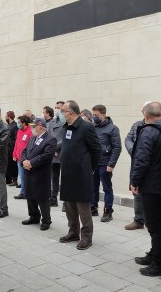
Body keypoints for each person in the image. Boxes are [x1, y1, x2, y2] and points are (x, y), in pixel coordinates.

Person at [129, 102, 161, 276]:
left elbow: (142, 159)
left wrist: (134, 180)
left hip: (151, 185)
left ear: (145, 115)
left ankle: (159, 264)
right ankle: (154, 254)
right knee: (156, 224)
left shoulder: (148, 131)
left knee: (154, 225)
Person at [58, 100, 101, 250]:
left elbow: (97, 149)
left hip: (82, 173)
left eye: (62, 111)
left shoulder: (86, 127)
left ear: (70, 112)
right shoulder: (66, 127)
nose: (61, 113)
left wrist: (90, 167)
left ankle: (87, 237)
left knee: (83, 207)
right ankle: (73, 232)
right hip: (68, 173)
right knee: (69, 205)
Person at [20, 118, 57, 231]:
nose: (32, 128)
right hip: (29, 171)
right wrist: (24, 161)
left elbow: (46, 155)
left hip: (41, 173)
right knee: (30, 196)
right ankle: (34, 216)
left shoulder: (50, 139)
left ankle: (46, 220)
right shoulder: (32, 139)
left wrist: (31, 162)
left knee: (42, 198)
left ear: (41, 126)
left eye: (34, 126)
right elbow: (24, 151)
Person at [90, 104, 122, 221]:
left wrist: (111, 164)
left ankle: (108, 211)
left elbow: (117, 147)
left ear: (103, 115)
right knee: (93, 186)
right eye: (93, 114)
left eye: (96, 115)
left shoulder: (113, 128)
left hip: (105, 163)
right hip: (94, 163)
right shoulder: (93, 127)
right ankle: (93, 207)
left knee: (107, 188)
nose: (94, 117)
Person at [124, 102, 151, 230]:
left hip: (153, 166)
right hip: (137, 162)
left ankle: (157, 221)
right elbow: (128, 139)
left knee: (153, 193)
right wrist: (133, 151)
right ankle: (139, 220)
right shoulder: (137, 125)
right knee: (137, 191)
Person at [45, 106, 65, 207]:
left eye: (60, 109)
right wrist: (51, 149)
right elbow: (48, 136)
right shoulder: (52, 122)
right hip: (53, 153)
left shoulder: (66, 122)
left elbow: (65, 137)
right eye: (56, 108)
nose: (57, 111)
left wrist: (55, 148)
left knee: (65, 178)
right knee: (54, 177)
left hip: (62, 152)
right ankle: (53, 198)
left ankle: (66, 201)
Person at [13, 115, 33, 199]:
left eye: (19, 122)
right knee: (22, 176)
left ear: (24, 123)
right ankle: (24, 192)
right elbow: (17, 144)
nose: (18, 124)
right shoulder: (19, 131)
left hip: (26, 158)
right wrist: (14, 154)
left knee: (24, 176)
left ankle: (24, 192)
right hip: (18, 157)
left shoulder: (30, 132)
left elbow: (31, 146)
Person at [5, 111, 18, 187]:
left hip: (12, 148)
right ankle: (8, 179)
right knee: (8, 164)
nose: (5, 118)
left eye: (6, 116)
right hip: (7, 148)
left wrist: (9, 143)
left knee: (12, 165)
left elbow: (15, 138)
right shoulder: (8, 125)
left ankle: (14, 180)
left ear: (9, 117)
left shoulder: (15, 126)